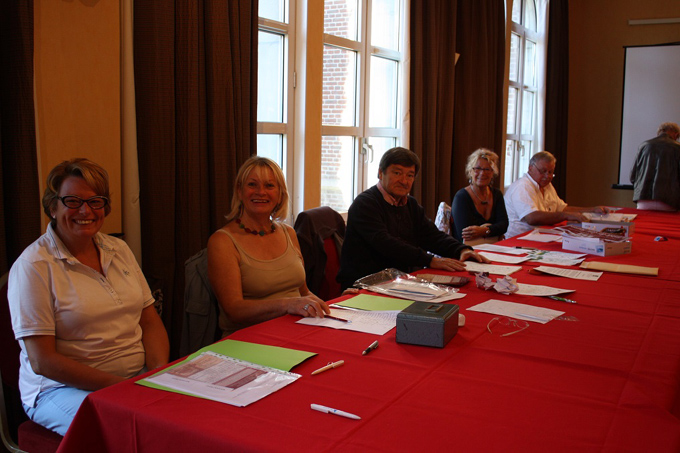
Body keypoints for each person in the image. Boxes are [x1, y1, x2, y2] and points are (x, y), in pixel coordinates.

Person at [8, 158, 169, 436]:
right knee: (135, 430)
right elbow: (43, 361)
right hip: (61, 390)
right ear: (53, 207)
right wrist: (122, 387)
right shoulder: (34, 266)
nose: (86, 210)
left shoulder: (119, 249)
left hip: (137, 378)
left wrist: (157, 374)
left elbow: (150, 321)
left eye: (96, 201)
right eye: (72, 201)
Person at [208, 156, 330, 337]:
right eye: (252, 185)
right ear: (239, 191)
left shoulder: (289, 233)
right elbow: (233, 310)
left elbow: (304, 292)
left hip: (297, 330)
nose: (261, 192)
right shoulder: (222, 242)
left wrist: (336, 308)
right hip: (249, 339)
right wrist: (287, 304)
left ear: (280, 194)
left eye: (269, 186)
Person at [337, 147, 488, 291]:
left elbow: (431, 236)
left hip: (401, 282)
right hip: (365, 285)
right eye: (397, 173)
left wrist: (461, 249)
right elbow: (386, 244)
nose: (404, 181)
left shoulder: (410, 204)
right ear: (380, 173)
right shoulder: (365, 204)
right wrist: (429, 260)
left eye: (410, 175)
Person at [504, 151, 609, 238]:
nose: (547, 176)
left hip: (540, 235)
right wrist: (565, 216)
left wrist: (592, 210)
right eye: (543, 171)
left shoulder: (547, 185)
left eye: (550, 172)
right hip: (518, 239)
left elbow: (562, 208)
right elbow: (531, 218)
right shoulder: (523, 186)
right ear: (530, 168)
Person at [451, 148, 508, 244]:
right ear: (470, 171)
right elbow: (465, 234)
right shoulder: (461, 197)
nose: (482, 173)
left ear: (493, 173)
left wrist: (483, 231)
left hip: (493, 247)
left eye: (487, 169)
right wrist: (494, 231)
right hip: (465, 249)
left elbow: (504, 225)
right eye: (477, 168)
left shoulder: (497, 194)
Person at [630, 122, 680, 211]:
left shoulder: (644, 145)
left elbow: (633, 176)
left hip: (643, 201)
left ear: (660, 132)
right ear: (676, 134)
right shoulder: (677, 147)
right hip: (669, 202)